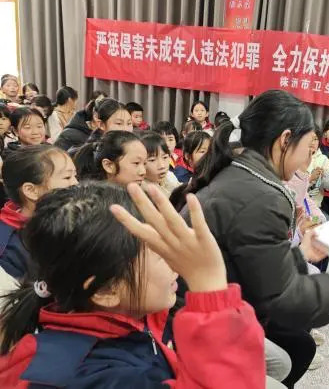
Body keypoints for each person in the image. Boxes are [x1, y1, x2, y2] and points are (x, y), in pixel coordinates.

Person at [177, 90, 329, 387]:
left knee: (297, 348)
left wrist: (299, 254)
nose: (306, 157)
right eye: (306, 147)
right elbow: (286, 302)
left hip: (205, 309)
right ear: (285, 139)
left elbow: (252, 261)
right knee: (295, 348)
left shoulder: (237, 172)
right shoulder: (261, 196)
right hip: (202, 328)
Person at [0, 182, 266, 388]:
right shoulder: (107, 379)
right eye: (160, 253)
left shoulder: (126, 317)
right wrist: (211, 291)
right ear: (106, 290)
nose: (176, 265)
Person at [0, 145, 77, 281]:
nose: (76, 183)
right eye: (67, 177)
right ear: (31, 190)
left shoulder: (78, 215)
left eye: (75, 175)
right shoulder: (7, 249)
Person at [74, 130, 146, 186]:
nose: (143, 172)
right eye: (136, 163)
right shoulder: (92, 199)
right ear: (108, 165)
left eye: (144, 163)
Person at [306, 125, 329, 209]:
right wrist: (310, 179)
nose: (312, 142)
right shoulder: (294, 158)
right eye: (309, 138)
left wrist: (326, 176)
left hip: (315, 207)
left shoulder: (323, 159)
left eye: (315, 139)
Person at [139, 132, 180, 198]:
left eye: (165, 157)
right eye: (152, 160)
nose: (162, 166)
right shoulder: (140, 190)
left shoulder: (170, 176)